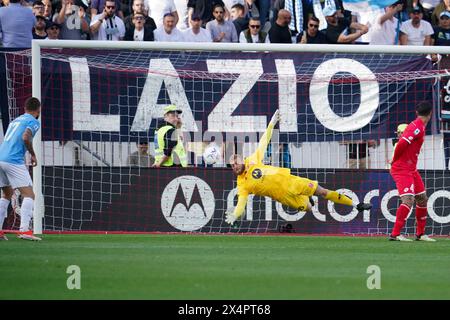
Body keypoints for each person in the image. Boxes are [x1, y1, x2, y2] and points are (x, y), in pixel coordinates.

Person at [224, 110, 372, 226]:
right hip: (284, 197)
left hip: (292, 181)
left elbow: (264, 141)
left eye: (236, 162)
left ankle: (357, 205)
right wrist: (235, 215)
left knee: (322, 191)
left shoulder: (252, 160)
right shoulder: (242, 184)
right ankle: (307, 199)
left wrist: (271, 124)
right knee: (308, 207)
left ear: (242, 159)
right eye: (232, 165)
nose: (235, 166)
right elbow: (241, 203)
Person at [389, 102, 435, 242]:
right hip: (401, 169)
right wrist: (394, 159)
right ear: (430, 114)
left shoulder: (418, 126)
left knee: (422, 198)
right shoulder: (416, 128)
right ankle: (395, 234)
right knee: (408, 200)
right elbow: (402, 143)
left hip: (411, 169)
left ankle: (420, 234)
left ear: (417, 113)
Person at [0, 97, 42, 241]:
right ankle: (24, 230)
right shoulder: (33, 121)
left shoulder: (15, 121)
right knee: (29, 195)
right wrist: (33, 154)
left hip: (1, 158)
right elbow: (25, 137)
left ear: (25, 108)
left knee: (6, 194)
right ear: (38, 109)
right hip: (13, 160)